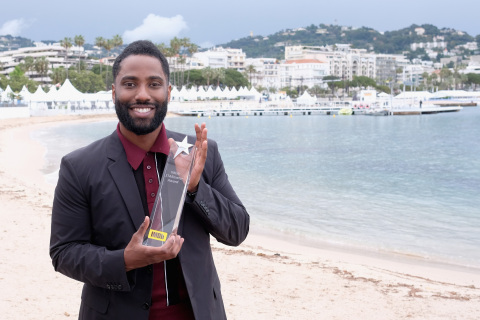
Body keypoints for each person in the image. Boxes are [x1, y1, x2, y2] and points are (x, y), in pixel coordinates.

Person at [50, 40, 250, 319]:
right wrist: (124, 261)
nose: (142, 94)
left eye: (154, 84)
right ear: (114, 91)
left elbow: (237, 231)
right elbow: (64, 253)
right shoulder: (80, 166)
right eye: (130, 84)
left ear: (167, 92)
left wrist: (194, 188)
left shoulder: (200, 153)